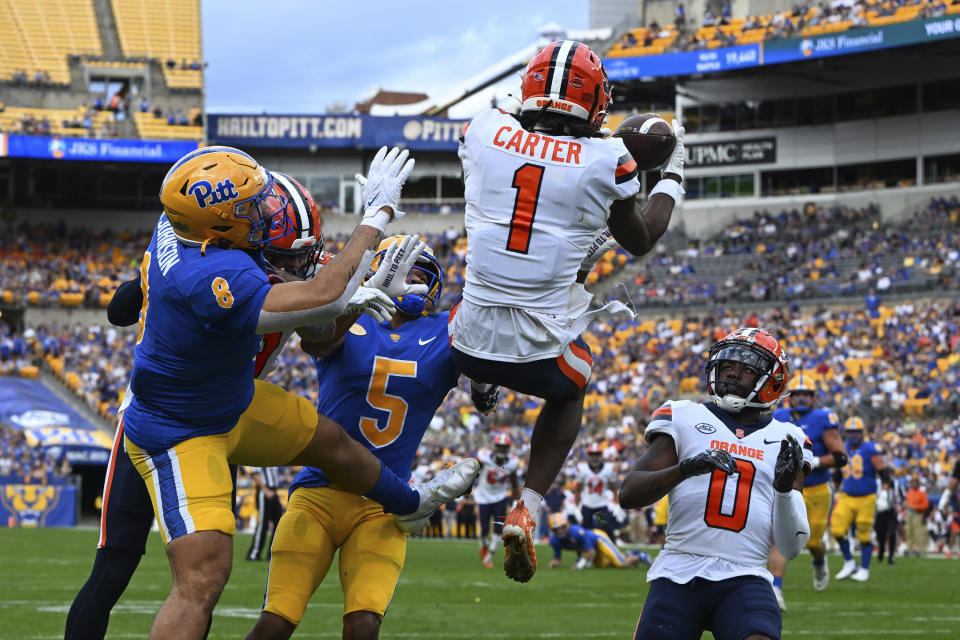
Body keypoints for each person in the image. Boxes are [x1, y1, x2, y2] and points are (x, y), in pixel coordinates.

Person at [120, 146, 479, 639]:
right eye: (248, 208)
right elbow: (318, 298)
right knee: (203, 575)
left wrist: (353, 289)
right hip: (183, 429)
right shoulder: (211, 275)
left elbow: (319, 318)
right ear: (217, 225)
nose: (261, 211)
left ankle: (408, 502)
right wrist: (376, 214)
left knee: (330, 441)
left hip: (231, 399)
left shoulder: (182, 226)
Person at [64, 173, 390, 640]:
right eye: (288, 253)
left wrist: (348, 302)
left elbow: (320, 337)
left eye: (305, 254)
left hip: (225, 420)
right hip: (161, 419)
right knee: (119, 566)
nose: (300, 263)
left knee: (204, 577)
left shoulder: (279, 283)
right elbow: (124, 305)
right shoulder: (209, 272)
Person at [451, 39, 685, 583]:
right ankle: (528, 507)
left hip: (467, 338)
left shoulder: (485, 129)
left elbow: (516, 118)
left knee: (496, 301)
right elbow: (642, 238)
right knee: (573, 384)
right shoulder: (609, 157)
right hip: (535, 352)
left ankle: (480, 385)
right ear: (597, 101)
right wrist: (670, 175)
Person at [244, 236, 493, 640]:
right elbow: (317, 340)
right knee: (276, 620)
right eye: (403, 271)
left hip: (383, 505)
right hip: (317, 495)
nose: (411, 283)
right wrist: (362, 295)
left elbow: (489, 331)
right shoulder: (354, 315)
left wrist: (487, 379)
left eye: (420, 274)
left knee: (363, 625)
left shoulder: (448, 330)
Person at [619, 328, 812, 640]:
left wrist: (785, 490)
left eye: (747, 370)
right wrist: (685, 469)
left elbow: (790, 546)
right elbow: (628, 494)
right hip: (679, 570)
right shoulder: (683, 415)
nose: (733, 376)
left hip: (746, 574)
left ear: (771, 382)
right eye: (728, 367)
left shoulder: (789, 438)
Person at [768, 373, 847, 608]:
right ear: (791, 397)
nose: (802, 398)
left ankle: (820, 561)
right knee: (779, 539)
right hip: (787, 487)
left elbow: (840, 456)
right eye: (798, 394)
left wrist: (808, 462)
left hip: (817, 488)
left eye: (806, 394)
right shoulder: (779, 416)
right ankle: (776, 589)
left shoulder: (823, 418)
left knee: (812, 542)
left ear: (813, 398)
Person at [832, 416, 888, 582]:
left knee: (864, 535)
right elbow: (837, 472)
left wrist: (884, 492)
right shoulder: (842, 447)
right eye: (851, 432)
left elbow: (884, 472)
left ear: (862, 433)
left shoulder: (871, 449)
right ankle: (849, 562)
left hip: (866, 498)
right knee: (837, 529)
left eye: (857, 432)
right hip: (847, 496)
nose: (854, 435)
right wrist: (834, 490)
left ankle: (864, 569)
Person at [474, 433, 521, 567]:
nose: (501, 449)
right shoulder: (484, 458)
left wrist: (515, 502)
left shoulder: (512, 463)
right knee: (483, 529)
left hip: (500, 497)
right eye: (499, 446)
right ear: (495, 447)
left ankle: (489, 556)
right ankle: (483, 544)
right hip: (483, 496)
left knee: (498, 527)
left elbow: (514, 484)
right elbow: (474, 472)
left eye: (504, 447)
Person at [546, 512, 649, 569]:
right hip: (591, 546)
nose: (560, 531)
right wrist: (554, 563)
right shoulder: (554, 540)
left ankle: (642, 556)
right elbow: (557, 558)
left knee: (621, 564)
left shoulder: (577, 532)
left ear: (567, 524)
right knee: (603, 565)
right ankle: (630, 553)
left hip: (598, 538)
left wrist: (580, 564)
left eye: (562, 527)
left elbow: (591, 552)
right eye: (556, 529)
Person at [575, 442, 619, 539]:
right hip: (587, 504)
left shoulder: (608, 469)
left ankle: (614, 552)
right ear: (588, 456)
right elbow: (577, 490)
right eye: (592, 455)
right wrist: (577, 507)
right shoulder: (583, 469)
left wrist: (616, 505)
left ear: (601, 455)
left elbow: (614, 488)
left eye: (597, 455)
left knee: (608, 528)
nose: (594, 457)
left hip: (601, 504)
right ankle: (583, 553)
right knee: (585, 532)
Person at [245, 466, 283, 561]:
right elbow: (256, 474)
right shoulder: (261, 455)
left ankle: (272, 553)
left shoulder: (273, 457)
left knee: (279, 523)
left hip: (273, 491)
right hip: (264, 492)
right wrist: (266, 490)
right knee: (263, 523)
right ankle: (254, 553)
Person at [874, 473, 902, 564]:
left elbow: (904, 497)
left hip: (891, 513)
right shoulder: (877, 486)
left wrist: (899, 506)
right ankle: (881, 550)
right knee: (881, 534)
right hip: (880, 513)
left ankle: (891, 556)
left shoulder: (896, 487)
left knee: (892, 533)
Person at [904, 476, 930, 556]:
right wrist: (905, 504)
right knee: (909, 532)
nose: (914, 484)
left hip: (917, 514)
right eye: (912, 483)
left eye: (915, 483)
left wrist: (916, 507)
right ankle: (910, 549)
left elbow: (926, 504)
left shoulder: (922, 493)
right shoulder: (909, 492)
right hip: (909, 514)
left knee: (918, 533)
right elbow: (906, 502)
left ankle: (922, 550)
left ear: (918, 484)